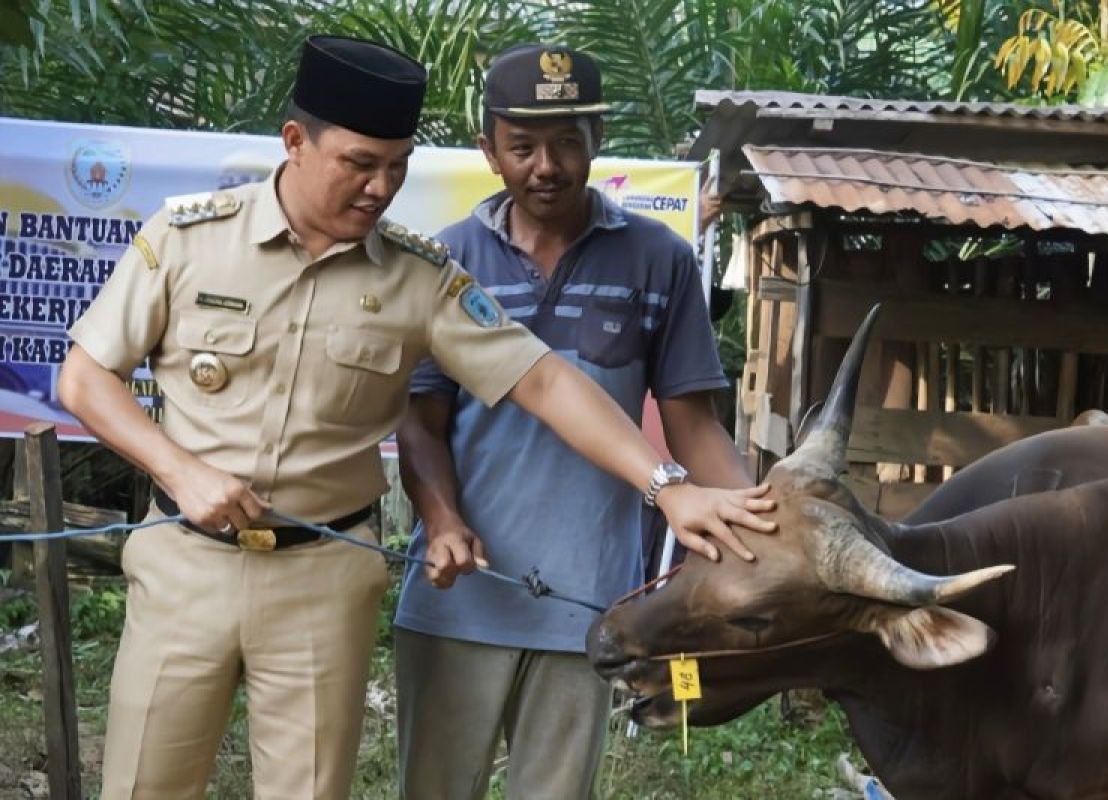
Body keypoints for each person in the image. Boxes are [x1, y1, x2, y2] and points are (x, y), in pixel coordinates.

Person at [56, 35, 773, 800]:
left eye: (396, 165)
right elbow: (85, 377)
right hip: (183, 563)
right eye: (360, 164)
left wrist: (668, 485)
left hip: (322, 576)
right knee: (143, 786)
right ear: (296, 143)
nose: (381, 187)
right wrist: (179, 469)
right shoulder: (190, 238)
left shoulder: (422, 277)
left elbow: (546, 382)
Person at [392, 43, 763, 800]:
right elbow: (420, 423)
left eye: (567, 142)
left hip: (586, 605)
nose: (546, 166)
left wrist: (765, 524)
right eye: (522, 146)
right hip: (458, 598)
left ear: (598, 136)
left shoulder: (658, 259)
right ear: (488, 151)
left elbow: (691, 423)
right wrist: (441, 520)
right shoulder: (446, 261)